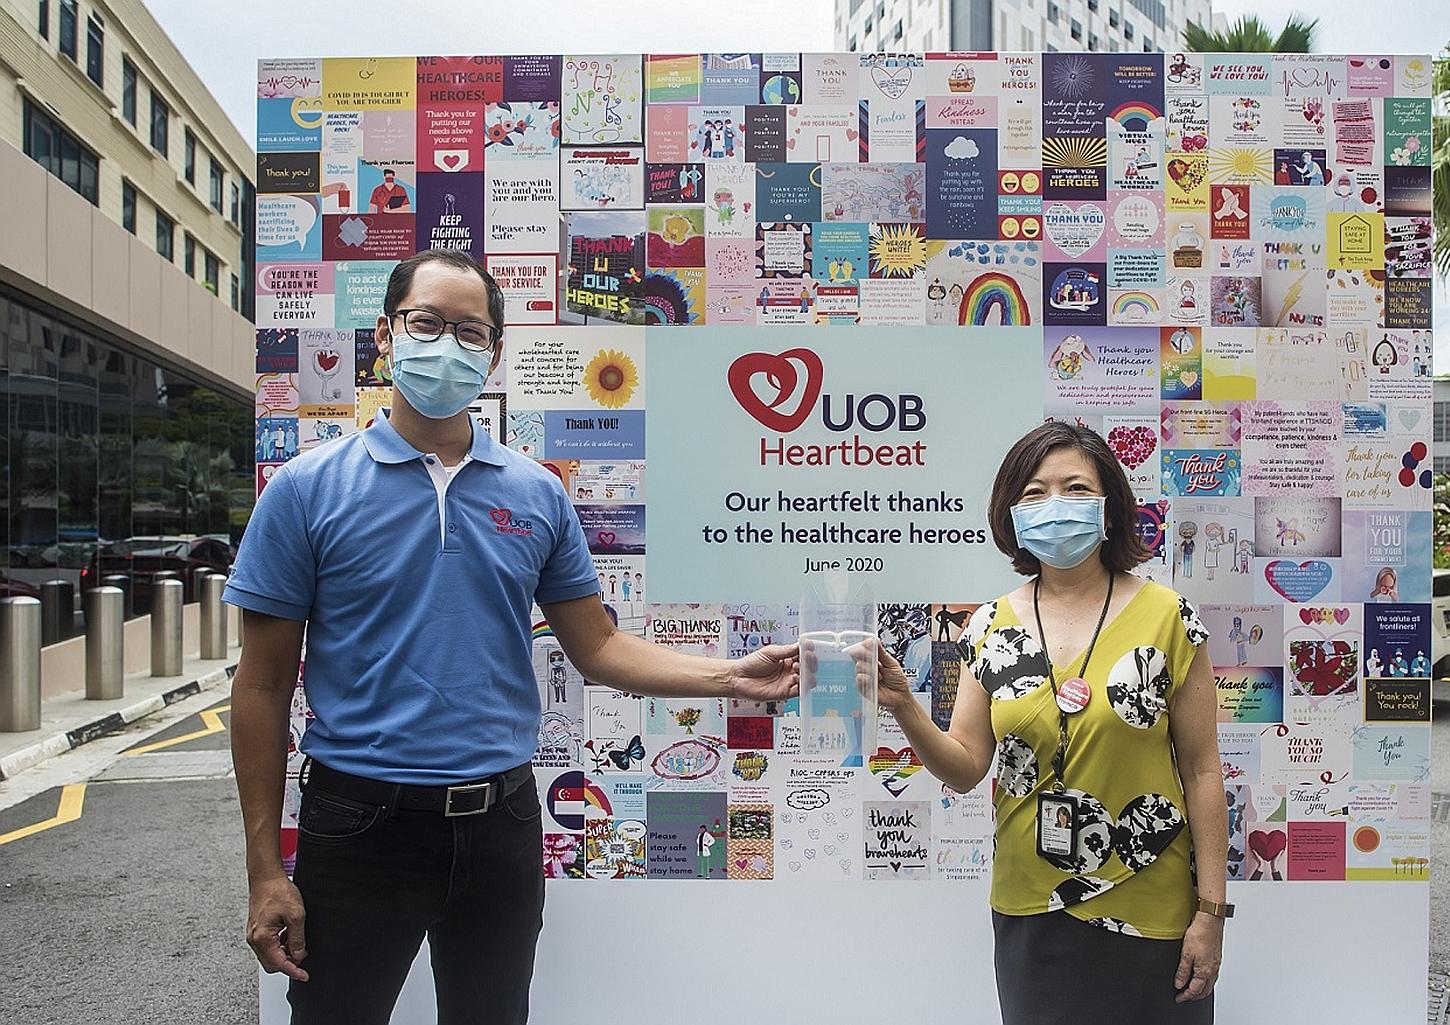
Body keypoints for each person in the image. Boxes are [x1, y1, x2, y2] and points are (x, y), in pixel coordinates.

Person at [227, 248, 798, 1025]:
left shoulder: (536, 494)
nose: (448, 344)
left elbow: (598, 647)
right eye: (427, 323)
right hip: (360, 823)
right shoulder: (305, 490)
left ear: (493, 354)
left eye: (470, 332)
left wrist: (731, 675)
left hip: (500, 825)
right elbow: (262, 686)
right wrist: (264, 869)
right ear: (386, 336)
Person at [866, 421, 1230, 1024]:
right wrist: (904, 704)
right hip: (1032, 904)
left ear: (1109, 506)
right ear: (1011, 515)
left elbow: (1203, 771)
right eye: (1034, 493)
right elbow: (965, 767)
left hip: (1152, 901)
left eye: (1075, 488)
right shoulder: (987, 626)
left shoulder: (1169, 616)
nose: (1055, 505)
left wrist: (1212, 913)